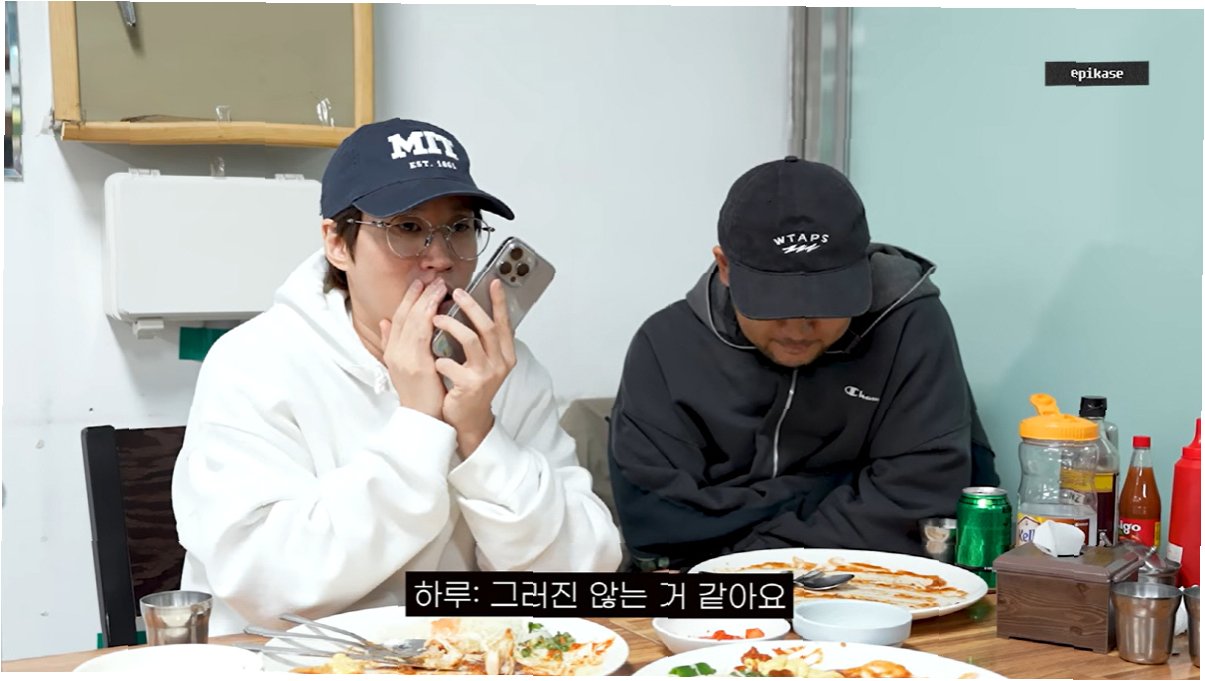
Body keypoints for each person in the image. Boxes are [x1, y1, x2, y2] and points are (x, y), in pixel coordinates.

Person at [173, 118, 622, 633]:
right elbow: (268, 587)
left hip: (462, 657)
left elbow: (582, 574)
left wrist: (479, 434)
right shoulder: (254, 363)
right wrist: (420, 424)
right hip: (293, 660)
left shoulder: (500, 367)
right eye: (407, 228)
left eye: (460, 227)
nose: (440, 259)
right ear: (337, 244)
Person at [608, 156, 998, 572]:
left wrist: (753, 544)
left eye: (826, 302)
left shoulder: (909, 323)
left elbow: (921, 500)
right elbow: (656, 523)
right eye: (772, 304)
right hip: (706, 589)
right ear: (725, 267)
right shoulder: (664, 344)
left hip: (869, 582)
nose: (797, 330)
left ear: (863, 270)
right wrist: (828, 487)